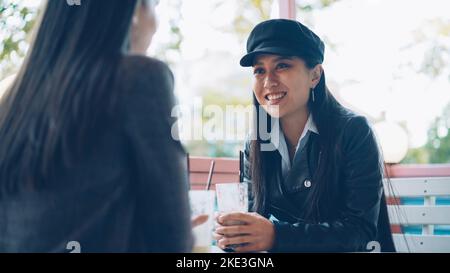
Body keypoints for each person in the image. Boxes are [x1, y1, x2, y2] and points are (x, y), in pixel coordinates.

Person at [0, 0, 194, 252]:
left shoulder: (13, 100)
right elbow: (173, 239)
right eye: (153, 4)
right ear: (133, 11)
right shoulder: (139, 79)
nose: (155, 24)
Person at [213, 19, 396, 252]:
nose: (269, 81)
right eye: (259, 70)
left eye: (282, 66)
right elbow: (252, 217)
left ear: (315, 76)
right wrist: (232, 235)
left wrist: (275, 236)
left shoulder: (354, 132)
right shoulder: (257, 143)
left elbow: (359, 231)